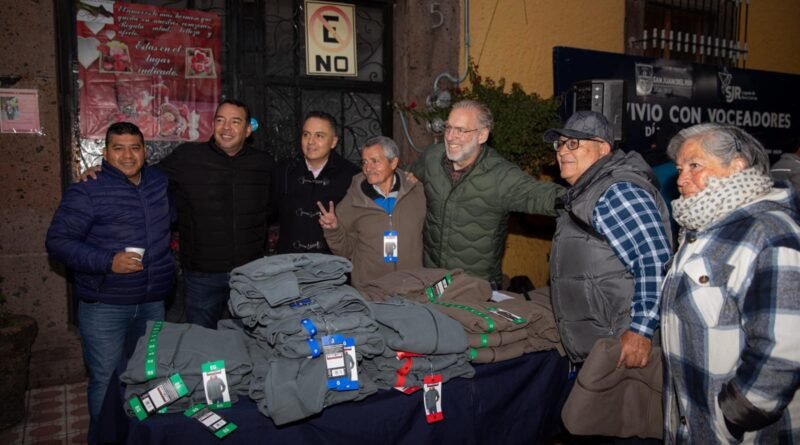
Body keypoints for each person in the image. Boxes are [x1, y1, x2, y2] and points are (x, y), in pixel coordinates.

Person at [661, 123, 800, 444]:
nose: (681, 179)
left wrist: (736, 416)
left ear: (737, 167)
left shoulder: (770, 232)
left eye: (695, 166)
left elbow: (785, 348)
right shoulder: (702, 228)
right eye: (680, 169)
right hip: (693, 426)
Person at [84, 100, 273, 328]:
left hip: (250, 272)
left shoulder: (264, 163)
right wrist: (105, 171)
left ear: (248, 129)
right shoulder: (187, 157)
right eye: (220, 120)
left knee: (251, 337)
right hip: (202, 275)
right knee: (200, 339)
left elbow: (274, 205)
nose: (226, 128)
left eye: (235, 122)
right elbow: (143, 175)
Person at [46, 122, 174, 443]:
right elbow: (58, 241)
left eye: (135, 147)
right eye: (118, 148)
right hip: (105, 306)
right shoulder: (87, 189)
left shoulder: (158, 182)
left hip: (152, 303)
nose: (127, 155)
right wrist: (108, 261)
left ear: (145, 152)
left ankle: (140, 437)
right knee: (105, 381)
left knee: (148, 378)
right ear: (105, 153)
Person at [543, 110, 673, 370]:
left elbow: (653, 260)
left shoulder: (618, 191)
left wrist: (641, 330)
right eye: (561, 144)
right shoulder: (588, 191)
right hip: (604, 348)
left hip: (624, 348)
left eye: (573, 143)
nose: (562, 151)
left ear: (602, 149)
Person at [408, 100, 564, 287]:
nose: (450, 136)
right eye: (448, 127)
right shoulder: (432, 157)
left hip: (474, 286)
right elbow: (408, 176)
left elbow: (542, 196)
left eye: (460, 130)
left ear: (482, 135)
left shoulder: (500, 175)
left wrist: (584, 198)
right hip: (432, 280)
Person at [318, 136, 425, 288]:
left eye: (375, 161)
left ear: (393, 163)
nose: (368, 168)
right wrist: (333, 230)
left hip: (411, 287)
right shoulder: (353, 200)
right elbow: (345, 251)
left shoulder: (416, 191)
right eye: (364, 162)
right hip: (371, 289)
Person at [271, 111, 360, 254]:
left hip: (331, 261)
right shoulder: (284, 171)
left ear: (333, 142)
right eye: (306, 134)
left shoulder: (352, 176)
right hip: (290, 260)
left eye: (319, 136)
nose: (310, 142)